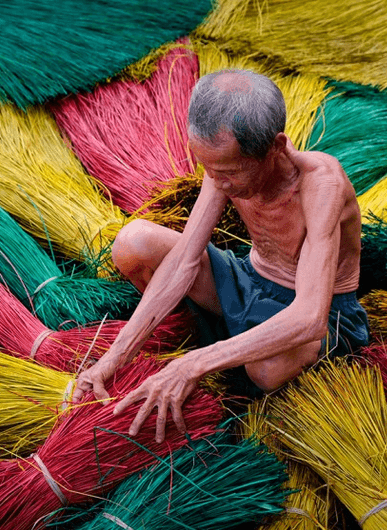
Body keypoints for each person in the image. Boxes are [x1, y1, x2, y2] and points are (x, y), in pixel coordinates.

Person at [72, 69, 369, 442]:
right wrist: (112, 359)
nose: (217, 181)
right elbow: (183, 260)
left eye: (228, 171)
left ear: (275, 148)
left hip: (318, 312)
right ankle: (218, 343)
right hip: (248, 279)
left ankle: (220, 355)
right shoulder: (222, 168)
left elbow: (310, 317)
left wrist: (192, 364)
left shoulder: (320, 184)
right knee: (134, 243)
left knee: (265, 368)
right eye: (208, 168)